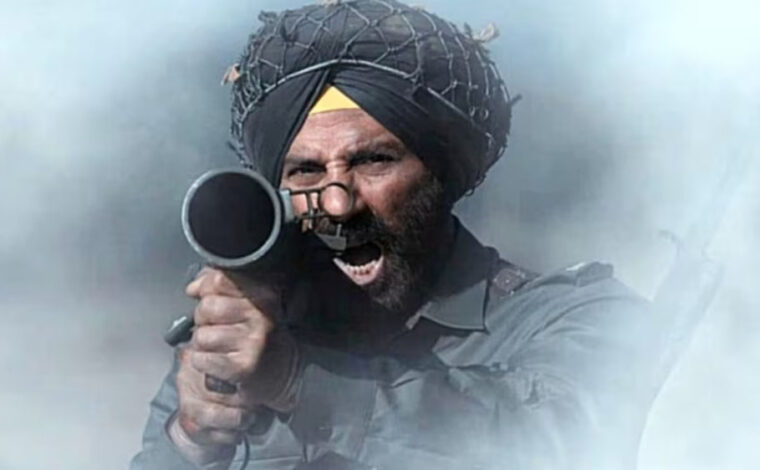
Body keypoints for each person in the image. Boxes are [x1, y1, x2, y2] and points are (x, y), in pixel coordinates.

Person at [132, 1, 669, 468]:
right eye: (307, 172)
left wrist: (301, 382)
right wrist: (192, 438)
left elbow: (560, 444)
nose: (337, 204)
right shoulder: (256, 329)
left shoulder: (574, 317)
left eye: (373, 161)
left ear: (440, 172)